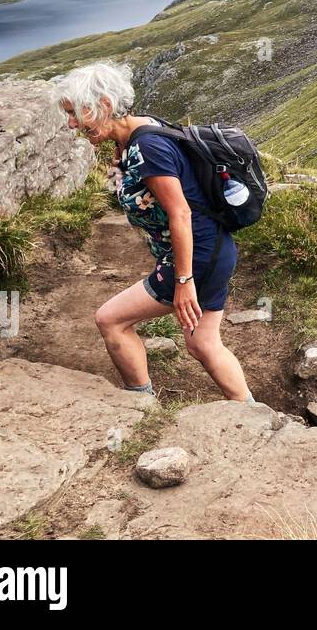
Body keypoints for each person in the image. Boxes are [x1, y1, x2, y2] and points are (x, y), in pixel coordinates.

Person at [55, 61, 252, 402]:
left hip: (198, 258)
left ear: (104, 105)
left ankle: (140, 406)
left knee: (110, 320)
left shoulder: (148, 147)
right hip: (215, 250)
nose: (72, 124)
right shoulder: (138, 134)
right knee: (203, 343)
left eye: (76, 113)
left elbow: (180, 212)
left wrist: (184, 280)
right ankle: (253, 414)